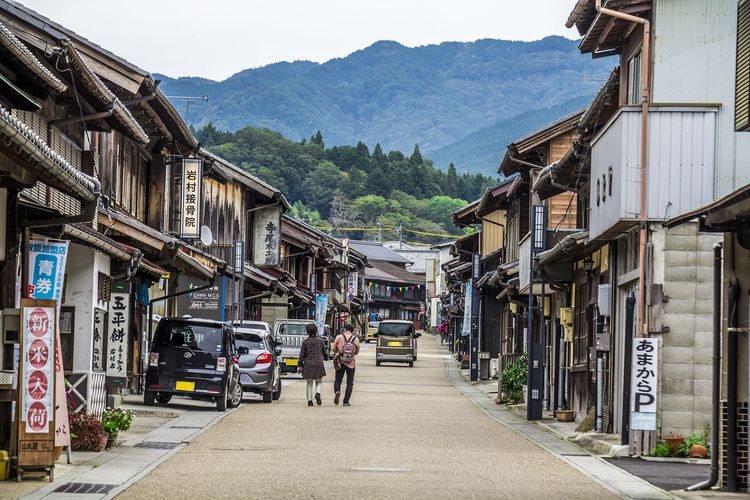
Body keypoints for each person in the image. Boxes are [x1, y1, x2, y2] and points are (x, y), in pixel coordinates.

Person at [298, 323, 327, 406]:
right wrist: (324, 356)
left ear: (307, 332)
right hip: (318, 363)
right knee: (319, 381)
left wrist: (299, 365)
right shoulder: (321, 341)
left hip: (308, 364)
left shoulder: (305, 342)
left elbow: (302, 355)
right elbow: (325, 353)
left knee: (309, 382)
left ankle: (310, 401)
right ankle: (318, 393)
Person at [332, 323, 360, 406]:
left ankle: (337, 391)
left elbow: (333, 349)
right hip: (351, 362)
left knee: (338, 379)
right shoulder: (356, 339)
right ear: (352, 330)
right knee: (350, 382)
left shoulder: (339, 337)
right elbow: (357, 352)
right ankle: (346, 401)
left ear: (345, 329)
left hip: (340, 361)